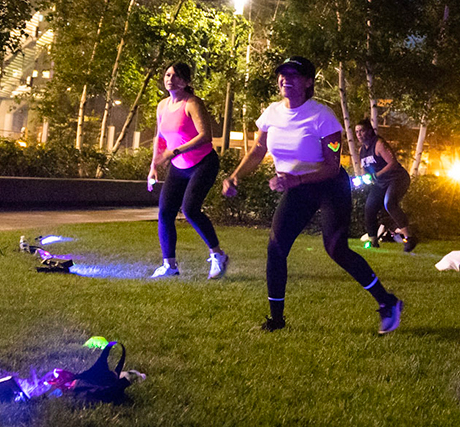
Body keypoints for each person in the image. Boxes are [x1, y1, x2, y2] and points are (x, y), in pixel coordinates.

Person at [222, 57, 402, 334]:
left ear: (308, 82)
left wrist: (296, 179)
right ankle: (276, 320)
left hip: (330, 186)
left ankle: (387, 302)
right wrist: (235, 176)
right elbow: (258, 150)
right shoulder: (270, 114)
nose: (285, 79)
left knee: (336, 249)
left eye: (293, 74)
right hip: (296, 188)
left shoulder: (323, 117)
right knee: (276, 247)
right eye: (282, 74)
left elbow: (331, 167)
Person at [147, 62, 227, 279]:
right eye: (167, 74)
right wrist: (153, 166)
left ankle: (217, 255)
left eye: (175, 75)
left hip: (203, 163)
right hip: (179, 167)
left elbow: (205, 136)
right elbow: (161, 137)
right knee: (165, 213)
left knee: (190, 209)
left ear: (186, 81)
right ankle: (169, 266)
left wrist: (174, 152)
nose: (169, 78)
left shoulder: (192, 103)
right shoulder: (162, 106)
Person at [354, 119, 417, 252]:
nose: (359, 134)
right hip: (380, 182)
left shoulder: (379, 144)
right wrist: (364, 178)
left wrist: (377, 175)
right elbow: (365, 168)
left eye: (362, 131)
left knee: (389, 203)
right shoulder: (362, 150)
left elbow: (392, 163)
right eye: (356, 132)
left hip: (397, 178)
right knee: (369, 207)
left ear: (369, 131)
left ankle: (409, 238)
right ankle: (373, 241)